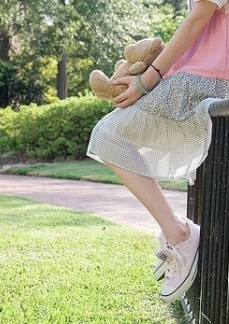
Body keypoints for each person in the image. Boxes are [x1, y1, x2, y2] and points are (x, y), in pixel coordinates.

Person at [86, 0, 229, 303]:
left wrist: (146, 80)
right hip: (197, 76)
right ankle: (176, 231)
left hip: (209, 80)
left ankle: (179, 234)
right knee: (107, 135)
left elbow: (199, 18)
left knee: (108, 136)